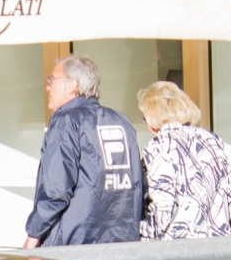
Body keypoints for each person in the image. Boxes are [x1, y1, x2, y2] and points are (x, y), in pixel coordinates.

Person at [24, 56, 144, 248]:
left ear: (72, 86)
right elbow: (137, 183)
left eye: (51, 80)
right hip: (122, 242)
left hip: (75, 245)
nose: (48, 87)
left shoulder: (66, 121)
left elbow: (56, 190)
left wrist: (33, 235)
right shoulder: (120, 120)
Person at [137, 80, 231, 240]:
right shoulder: (212, 139)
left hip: (181, 252)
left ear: (153, 119)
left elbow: (162, 207)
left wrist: (140, 239)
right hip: (218, 246)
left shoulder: (159, 146)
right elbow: (230, 199)